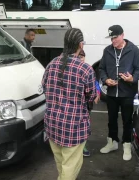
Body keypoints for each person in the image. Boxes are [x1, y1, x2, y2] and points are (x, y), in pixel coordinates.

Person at [42, 28, 96, 180]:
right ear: (80, 45)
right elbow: (91, 96)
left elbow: (45, 87)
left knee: (61, 164)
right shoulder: (85, 69)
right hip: (74, 126)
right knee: (70, 168)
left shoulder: (52, 64)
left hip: (52, 124)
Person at [99, 25, 139, 161]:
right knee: (111, 119)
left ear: (122, 35)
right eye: (111, 38)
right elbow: (102, 68)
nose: (113, 41)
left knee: (127, 120)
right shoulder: (107, 51)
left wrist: (133, 78)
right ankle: (112, 142)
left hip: (127, 92)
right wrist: (106, 79)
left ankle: (126, 144)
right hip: (112, 92)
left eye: (116, 37)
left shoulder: (133, 49)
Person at [78, 49, 101, 157]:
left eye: (82, 57)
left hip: (86, 105)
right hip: (75, 105)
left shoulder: (88, 69)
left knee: (85, 127)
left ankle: (83, 147)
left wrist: (97, 93)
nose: (80, 59)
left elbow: (95, 83)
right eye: (79, 57)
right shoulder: (72, 68)